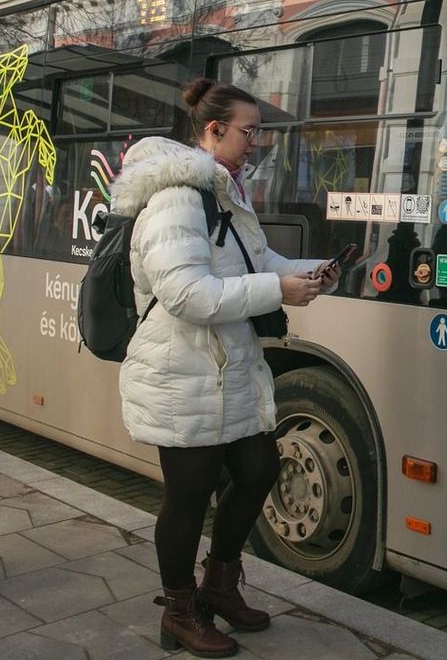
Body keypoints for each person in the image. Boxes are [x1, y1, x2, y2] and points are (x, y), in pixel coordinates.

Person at [109, 79, 341, 658]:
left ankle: (217, 585)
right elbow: (187, 293)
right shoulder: (177, 198)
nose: (256, 143)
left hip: (226, 369)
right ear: (214, 131)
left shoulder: (223, 192)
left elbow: (258, 261)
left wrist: (311, 272)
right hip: (180, 373)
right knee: (188, 496)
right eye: (249, 132)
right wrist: (275, 289)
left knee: (260, 468)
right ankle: (179, 612)